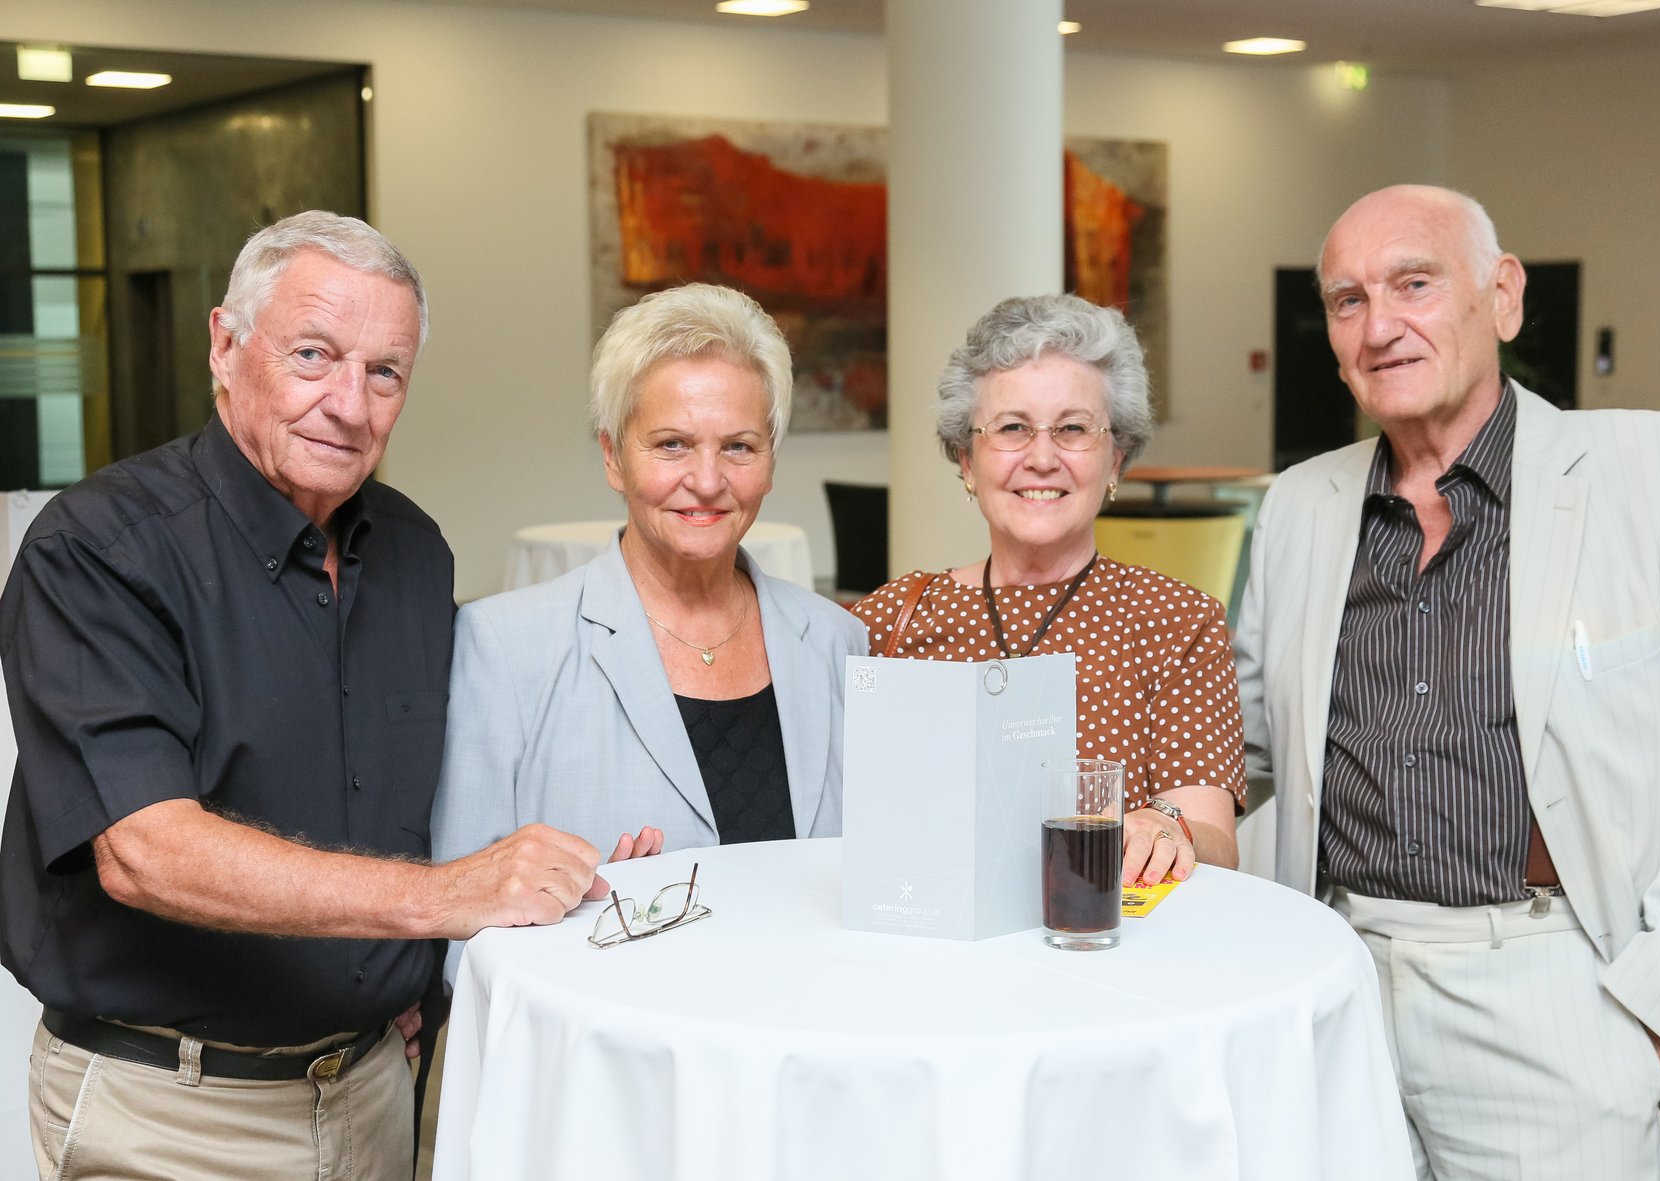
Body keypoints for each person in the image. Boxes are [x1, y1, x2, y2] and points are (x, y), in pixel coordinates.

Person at [0, 211, 611, 1181]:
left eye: (385, 372)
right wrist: (446, 897)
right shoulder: (100, 549)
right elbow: (147, 852)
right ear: (225, 345)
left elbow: (424, 801)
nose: (348, 404)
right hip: (170, 1113)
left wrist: (556, 875)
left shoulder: (414, 552)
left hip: (374, 1090)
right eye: (313, 355)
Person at [1235, 184, 1660, 1178]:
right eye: (1348, 300)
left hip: (1558, 990)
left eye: (1414, 284)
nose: (1378, 326)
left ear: (1503, 296)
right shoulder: (1299, 505)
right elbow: (1246, 749)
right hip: (1336, 980)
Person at [430, 283, 866, 952]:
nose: (707, 479)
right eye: (671, 444)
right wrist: (590, 928)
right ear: (613, 456)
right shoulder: (505, 648)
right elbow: (460, 939)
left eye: (739, 446)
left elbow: (872, 886)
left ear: (771, 459)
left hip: (812, 1012)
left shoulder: (838, 641)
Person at [851, 294, 1245, 886]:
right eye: (1012, 428)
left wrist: (1166, 828)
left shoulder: (1176, 621)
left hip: (1103, 933)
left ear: (1115, 461)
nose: (1041, 458)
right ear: (967, 462)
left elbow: (1214, 839)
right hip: (924, 935)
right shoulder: (888, 621)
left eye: (1073, 429)